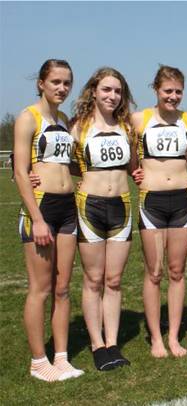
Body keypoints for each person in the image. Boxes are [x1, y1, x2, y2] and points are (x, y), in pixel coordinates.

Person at [13, 59, 83, 381]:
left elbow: (65, 164)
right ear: (41, 82)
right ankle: (39, 361)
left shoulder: (65, 120)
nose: (62, 88)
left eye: (67, 83)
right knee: (40, 288)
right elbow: (20, 171)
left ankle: (62, 357)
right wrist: (37, 219)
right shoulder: (29, 118)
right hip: (41, 210)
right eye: (56, 82)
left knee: (63, 287)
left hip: (68, 208)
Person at [73, 67, 136, 371]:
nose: (112, 96)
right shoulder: (78, 127)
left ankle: (112, 343)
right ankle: (97, 345)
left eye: (118, 91)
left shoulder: (126, 126)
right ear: (94, 91)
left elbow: (135, 166)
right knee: (93, 279)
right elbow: (61, 163)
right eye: (107, 90)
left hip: (122, 207)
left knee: (113, 280)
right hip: (90, 207)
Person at [132, 66, 187, 358]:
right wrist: (134, 171)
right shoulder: (139, 119)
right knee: (155, 273)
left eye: (178, 91)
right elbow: (125, 153)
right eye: (167, 91)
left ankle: (173, 336)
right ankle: (156, 338)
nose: (173, 96)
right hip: (152, 204)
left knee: (177, 271)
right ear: (156, 90)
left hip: (182, 202)